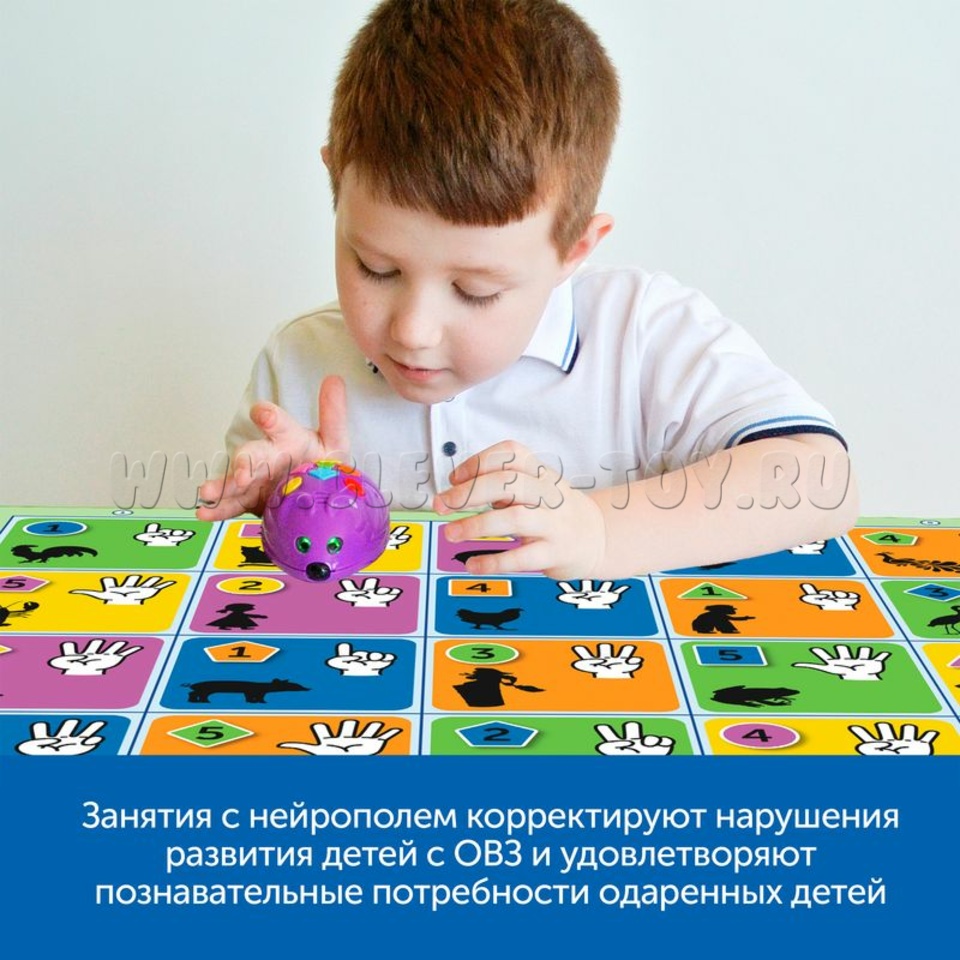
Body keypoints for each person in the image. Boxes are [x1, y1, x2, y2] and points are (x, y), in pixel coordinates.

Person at [197, 0, 858, 579]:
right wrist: (286, 508)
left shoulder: (641, 333)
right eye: (376, 268)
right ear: (334, 187)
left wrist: (601, 532)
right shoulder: (297, 364)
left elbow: (821, 479)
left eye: (476, 290)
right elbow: (244, 588)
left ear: (575, 251)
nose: (412, 330)